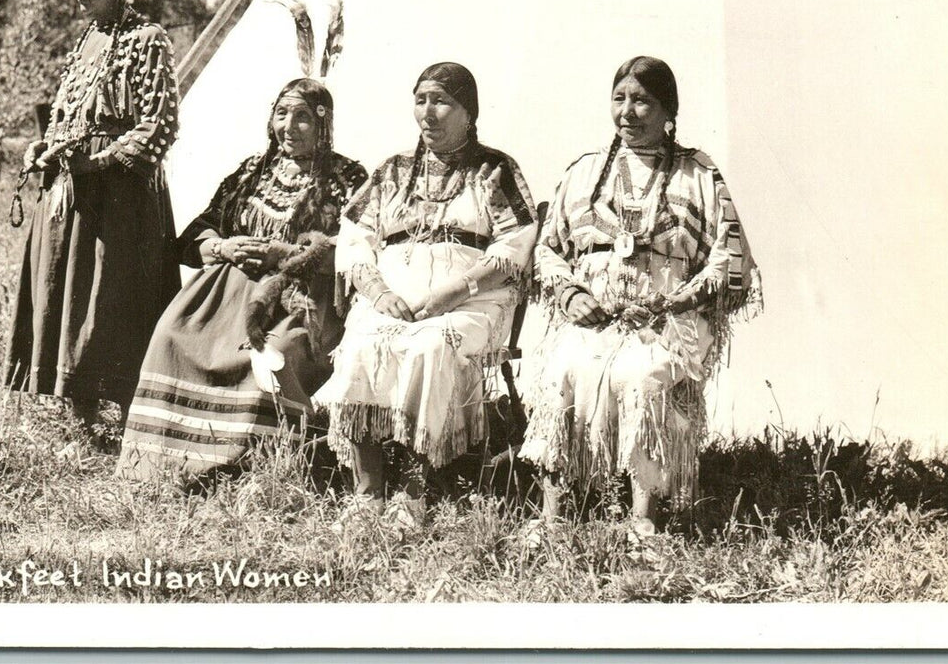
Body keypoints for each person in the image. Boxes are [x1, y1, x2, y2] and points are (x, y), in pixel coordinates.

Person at [520, 56, 762, 534]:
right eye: (619, 99)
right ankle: (553, 513)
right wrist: (569, 295)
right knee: (562, 370)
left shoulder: (699, 173)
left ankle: (641, 518)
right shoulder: (586, 171)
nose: (627, 112)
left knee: (642, 376)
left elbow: (730, 257)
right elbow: (548, 249)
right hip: (595, 315)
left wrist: (681, 300)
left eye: (642, 101)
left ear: (668, 109)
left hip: (668, 321)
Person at [312, 62, 539, 519]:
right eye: (421, 101)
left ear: (469, 112)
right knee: (363, 347)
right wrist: (376, 292)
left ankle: (413, 489)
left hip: (471, 300)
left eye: (442, 102)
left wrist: (453, 292)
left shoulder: (495, 170)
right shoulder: (392, 171)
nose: (428, 113)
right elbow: (356, 237)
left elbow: (516, 243)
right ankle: (368, 490)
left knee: (431, 348)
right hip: (394, 297)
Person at [117, 79, 368, 480]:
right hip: (226, 292)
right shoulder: (252, 171)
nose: (289, 126)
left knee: (273, 356)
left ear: (324, 123)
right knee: (170, 332)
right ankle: (159, 461)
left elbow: (357, 252)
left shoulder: (347, 178)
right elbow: (195, 236)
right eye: (282, 114)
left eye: (302, 116)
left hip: (297, 299)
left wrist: (281, 254)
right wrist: (225, 248)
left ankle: (253, 466)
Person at [4, 0, 181, 438]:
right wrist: (43, 149)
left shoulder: (147, 39)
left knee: (113, 298)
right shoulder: (85, 41)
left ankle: (128, 417)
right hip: (73, 194)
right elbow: (65, 119)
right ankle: (79, 411)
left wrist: (99, 162)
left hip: (121, 200)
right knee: (69, 294)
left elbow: (159, 126)